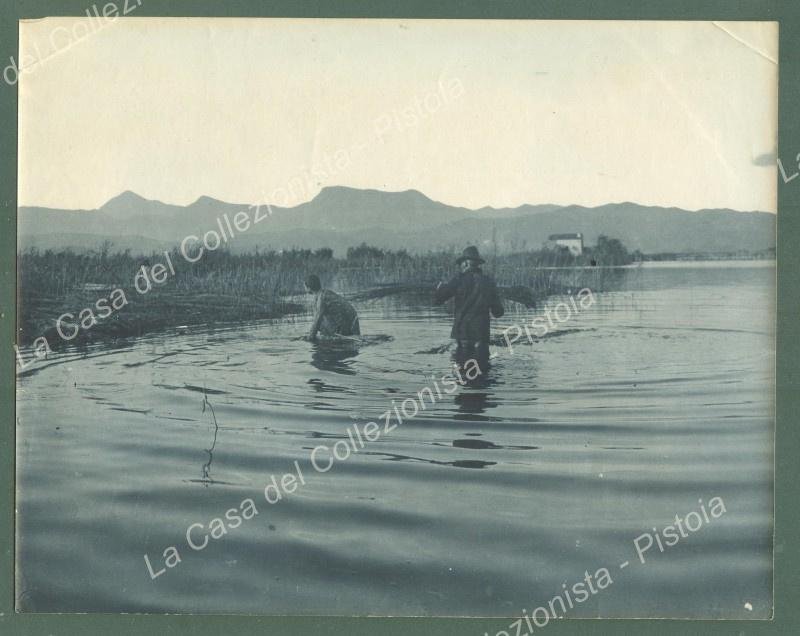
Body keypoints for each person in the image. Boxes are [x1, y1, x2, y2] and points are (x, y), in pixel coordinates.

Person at [434, 245, 504, 371]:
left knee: (463, 376)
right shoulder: (489, 282)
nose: (460, 266)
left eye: (461, 263)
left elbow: (438, 300)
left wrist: (439, 289)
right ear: (477, 264)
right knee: (483, 374)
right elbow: (498, 312)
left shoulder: (458, 280)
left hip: (463, 336)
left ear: (465, 263)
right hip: (481, 338)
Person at [305, 274, 360, 341]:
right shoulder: (323, 294)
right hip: (352, 319)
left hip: (349, 322)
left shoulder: (322, 297)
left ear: (308, 288)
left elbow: (317, 319)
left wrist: (310, 336)